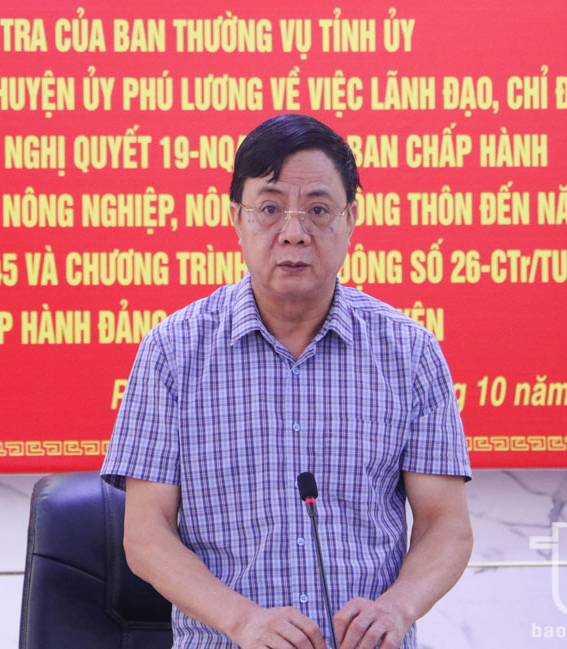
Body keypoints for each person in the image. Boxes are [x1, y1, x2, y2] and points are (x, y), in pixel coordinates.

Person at [101, 114, 472, 649]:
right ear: (237, 218)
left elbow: (446, 526)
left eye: (318, 210)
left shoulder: (409, 352)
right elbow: (145, 535)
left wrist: (397, 608)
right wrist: (242, 621)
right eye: (270, 209)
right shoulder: (173, 352)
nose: (294, 232)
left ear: (350, 219)